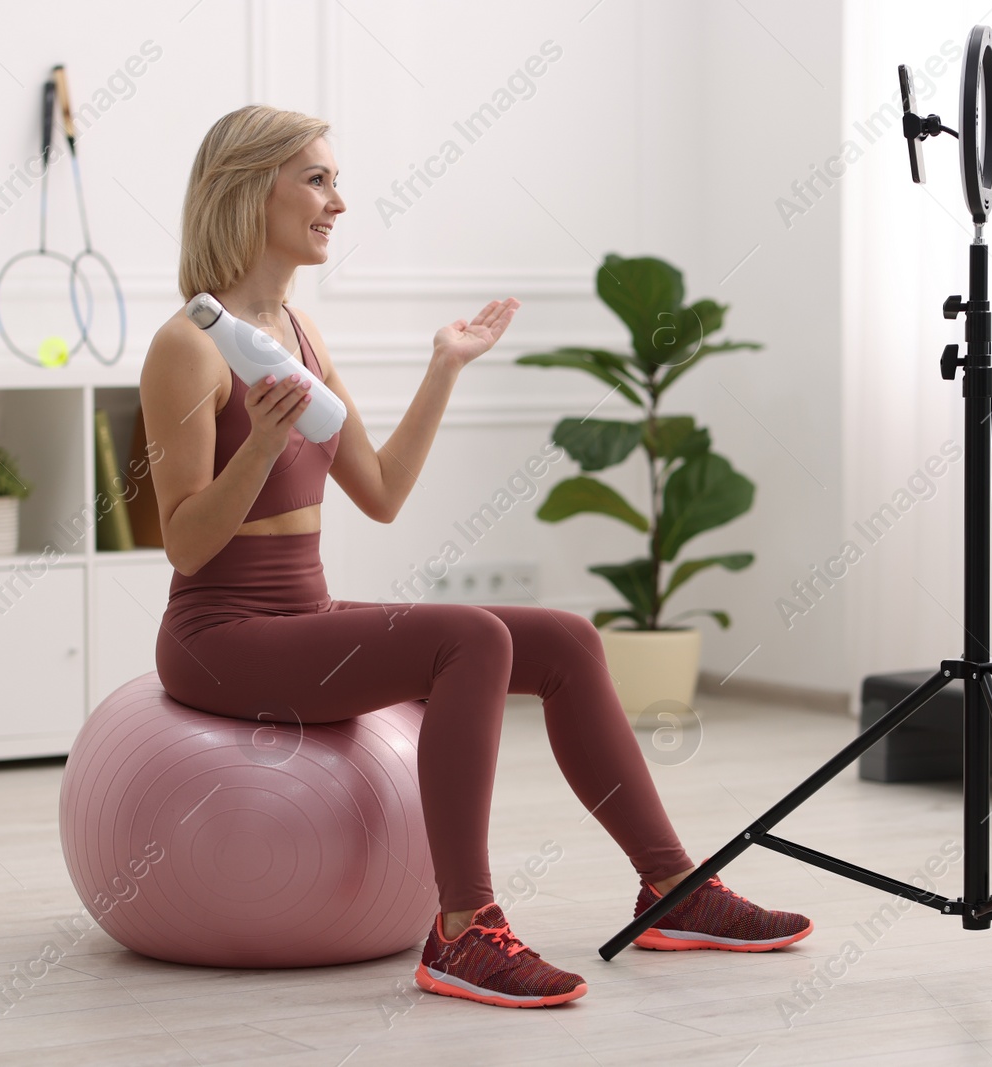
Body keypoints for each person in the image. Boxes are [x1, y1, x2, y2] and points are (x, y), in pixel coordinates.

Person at [140, 104, 812, 1010]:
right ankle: (463, 930)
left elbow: (378, 490)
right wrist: (257, 446)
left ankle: (673, 889)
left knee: (567, 638)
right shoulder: (187, 347)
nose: (339, 201)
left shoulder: (297, 334)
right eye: (318, 179)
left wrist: (445, 365)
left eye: (335, 179)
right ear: (249, 188)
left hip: (304, 612)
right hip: (221, 634)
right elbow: (180, 539)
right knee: (472, 638)